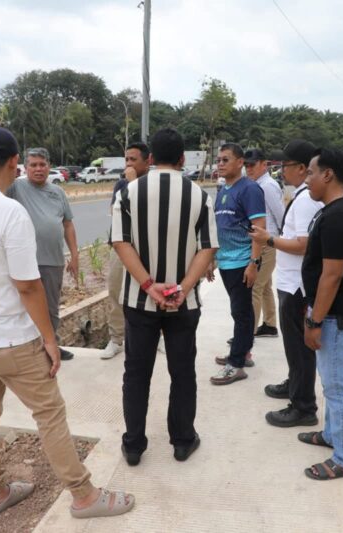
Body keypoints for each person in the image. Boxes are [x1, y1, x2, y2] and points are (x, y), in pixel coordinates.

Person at [0, 127, 134, 518]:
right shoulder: (11, 212)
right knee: (49, 413)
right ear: (15, 163)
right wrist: (48, 338)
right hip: (11, 337)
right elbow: (28, 286)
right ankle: (84, 495)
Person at [111, 128, 218, 466]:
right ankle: (183, 440)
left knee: (136, 373)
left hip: (139, 301)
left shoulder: (128, 193)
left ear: (152, 159)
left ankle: (133, 445)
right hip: (183, 304)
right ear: (183, 159)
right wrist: (183, 287)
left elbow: (120, 242)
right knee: (183, 371)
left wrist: (148, 285)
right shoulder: (200, 196)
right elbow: (207, 247)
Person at [299, 148, 343, 481]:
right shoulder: (333, 210)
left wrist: (315, 320)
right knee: (330, 381)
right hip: (330, 312)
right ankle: (332, 435)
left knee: (339, 386)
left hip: (338, 316)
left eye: (311, 173)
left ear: (328, 175)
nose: (307, 179)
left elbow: (333, 275)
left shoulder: (340, 216)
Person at [249, 140, 323, 427]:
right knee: (294, 346)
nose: (282, 170)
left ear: (302, 168)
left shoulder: (304, 200)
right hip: (292, 281)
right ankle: (295, 384)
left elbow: (303, 244)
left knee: (299, 347)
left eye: (286, 166)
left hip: (296, 286)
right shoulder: (302, 195)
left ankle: (303, 406)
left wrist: (267, 239)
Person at [6, 147, 77, 361]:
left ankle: (51, 344)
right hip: (24, 262)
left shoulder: (58, 193)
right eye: (33, 165)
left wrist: (74, 256)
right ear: (25, 168)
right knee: (22, 307)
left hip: (53, 260)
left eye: (42, 164)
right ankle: (27, 351)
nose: (38, 169)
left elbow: (68, 225)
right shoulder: (15, 188)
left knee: (51, 308)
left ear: (49, 166)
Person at [210, 143, 266, 385]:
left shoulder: (250, 189)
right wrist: (212, 259)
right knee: (238, 312)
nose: (220, 164)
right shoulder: (223, 190)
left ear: (240, 162)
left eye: (226, 160)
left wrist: (253, 263)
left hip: (242, 261)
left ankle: (237, 364)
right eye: (219, 160)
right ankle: (241, 352)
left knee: (242, 314)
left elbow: (259, 228)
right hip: (226, 261)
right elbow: (220, 228)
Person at [101, 142, 150, 360]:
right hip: (120, 246)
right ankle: (116, 339)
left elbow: (147, 212)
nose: (129, 164)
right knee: (115, 291)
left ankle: (154, 338)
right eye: (126, 159)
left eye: (133, 159)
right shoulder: (120, 185)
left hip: (147, 247)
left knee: (150, 293)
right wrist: (128, 184)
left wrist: (133, 183)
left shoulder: (153, 184)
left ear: (147, 161)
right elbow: (114, 212)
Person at [243, 148, 284, 339]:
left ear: (263, 164)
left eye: (252, 165)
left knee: (254, 288)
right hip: (263, 241)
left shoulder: (267, 186)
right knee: (265, 286)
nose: (248, 169)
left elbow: (280, 215)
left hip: (267, 242)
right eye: (246, 165)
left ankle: (247, 333)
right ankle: (270, 325)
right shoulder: (257, 184)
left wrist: (276, 240)